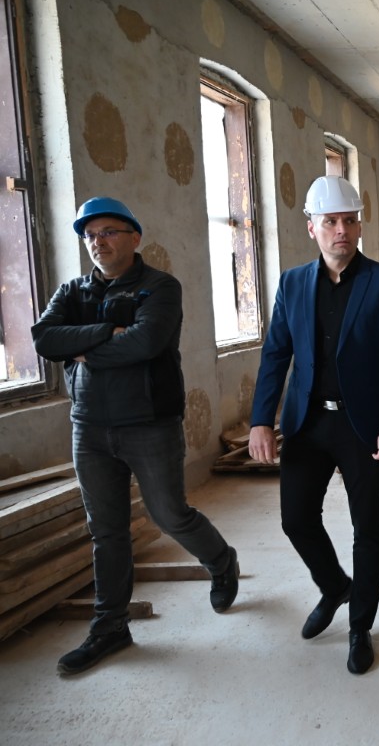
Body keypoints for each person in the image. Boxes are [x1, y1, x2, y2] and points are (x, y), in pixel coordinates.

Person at [31, 197, 239, 675]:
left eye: (108, 232)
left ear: (134, 237)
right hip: (89, 426)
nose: (97, 242)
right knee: (106, 530)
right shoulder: (73, 290)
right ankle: (110, 627)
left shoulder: (160, 287)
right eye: (90, 235)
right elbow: (44, 339)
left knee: (169, 514)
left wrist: (83, 348)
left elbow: (146, 343)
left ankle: (220, 560)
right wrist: (109, 331)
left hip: (149, 423)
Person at [249, 175, 379, 676]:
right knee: (295, 518)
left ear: (360, 225)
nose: (340, 230)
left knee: (368, 529)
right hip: (306, 424)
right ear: (312, 227)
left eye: (349, 220)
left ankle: (360, 626)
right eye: (330, 222)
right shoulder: (292, 283)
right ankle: (334, 586)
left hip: (362, 426)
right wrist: (261, 420)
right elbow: (275, 354)